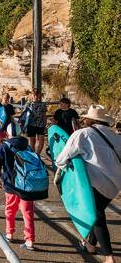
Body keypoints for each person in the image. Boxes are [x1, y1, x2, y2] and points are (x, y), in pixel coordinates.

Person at [55, 105, 121, 263]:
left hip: (94, 183)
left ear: (89, 120)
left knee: (97, 217)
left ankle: (109, 257)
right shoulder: (116, 137)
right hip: (114, 186)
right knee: (95, 212)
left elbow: (62, 158)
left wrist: (62, 172)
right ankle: (90, 244)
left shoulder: (82, 134)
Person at [0, 121, 37, 251]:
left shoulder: (4, 146)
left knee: (10, 210)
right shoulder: (27, 145)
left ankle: (9, 233)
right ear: (20, 132)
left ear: (7, 133)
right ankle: (30, 240)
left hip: (11, 184)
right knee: (27, 212)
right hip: (26, 184)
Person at [24, 90, 48, 155]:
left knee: (41, 141)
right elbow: (24, 116)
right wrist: (24, 127)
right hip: (31, 125)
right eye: (34, 95)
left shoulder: (43, 104)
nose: (36, 96)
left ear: (39, 95)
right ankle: (33, 156)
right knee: (32, 142)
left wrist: (45, 125)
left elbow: (44, 116)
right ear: (32, 95)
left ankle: (37, 155)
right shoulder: (28, 104)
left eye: (37, 95)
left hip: (40, 124)